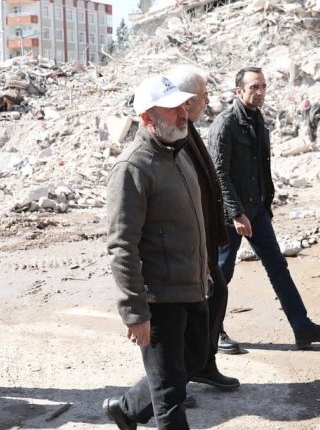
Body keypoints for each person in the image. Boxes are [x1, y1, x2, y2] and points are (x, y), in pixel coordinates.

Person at [103, 74, 209, 430]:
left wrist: (203, 269)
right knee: (170, 398)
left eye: (184, 105)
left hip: (190, 285)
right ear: (148, 119)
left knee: (194, 360)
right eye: (174, 108)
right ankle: (139, 409)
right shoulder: (133, 168)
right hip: (159, 298)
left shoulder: (177, 152)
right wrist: (134, 311)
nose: (184, 112)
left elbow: (189, 222)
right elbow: (121, 245)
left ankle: (128, 409)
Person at [209, 67, 320, 351]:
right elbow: (219, 173)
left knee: (278, 267)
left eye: (263, 87)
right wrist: (235, 213)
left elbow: (260, 167)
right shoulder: (225, 124)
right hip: (230, 214)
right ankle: (211, 331)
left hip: (256, 209)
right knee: (222, 272)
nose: (260, 92)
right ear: (239, 91)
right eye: (254, 87)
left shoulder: (258, 121)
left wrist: (265, 205)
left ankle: (302, 328)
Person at [166, 65, 241, 389]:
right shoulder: (172, 137)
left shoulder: (190, 130)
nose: (207, 101)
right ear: (186, 101)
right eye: (203, 96)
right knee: (183, 318)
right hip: (185, 248)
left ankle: (203, 365)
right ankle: (171, 384)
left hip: (205, 241)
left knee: (215, 296)